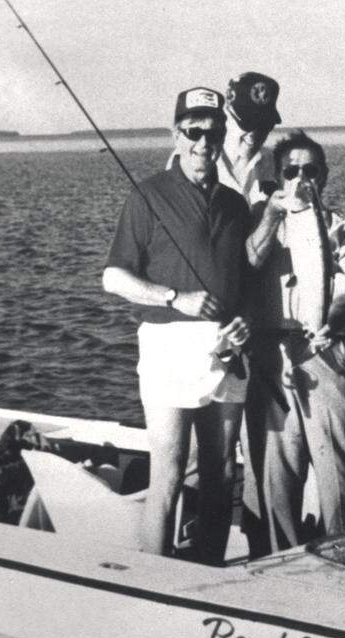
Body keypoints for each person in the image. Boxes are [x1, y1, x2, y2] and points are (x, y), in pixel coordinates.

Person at [102, 87, 252, 565]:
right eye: (193, 132)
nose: (203, 143)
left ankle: (208, 570)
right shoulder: (147, 195)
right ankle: (153, 578)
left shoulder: (234, 204)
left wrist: (241, 324)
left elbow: (243, 283)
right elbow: (114, 277)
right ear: (176, 134)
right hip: (168, 346)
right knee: (166, 471)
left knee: (222, 472)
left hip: (226, 349)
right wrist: (174, 298)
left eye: (213, 133)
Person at [242, 131, 345, 556]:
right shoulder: (260, 221)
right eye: (290, 171)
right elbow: (247, 263)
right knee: (273, 474)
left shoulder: (341, 229)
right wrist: (273, 216)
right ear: (277, 177)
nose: (300, 179)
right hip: (269, 356)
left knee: (336, 471)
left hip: (324, 355)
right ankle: (279, 564)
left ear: (324, 176)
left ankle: (344, 553)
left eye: (309, 171)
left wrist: (325, 324)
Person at [168, 72, 282, 210]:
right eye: (247, 124)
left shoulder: (271, 161)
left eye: (264, 125)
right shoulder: (193, 158)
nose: (254, 134)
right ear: (226, 117)